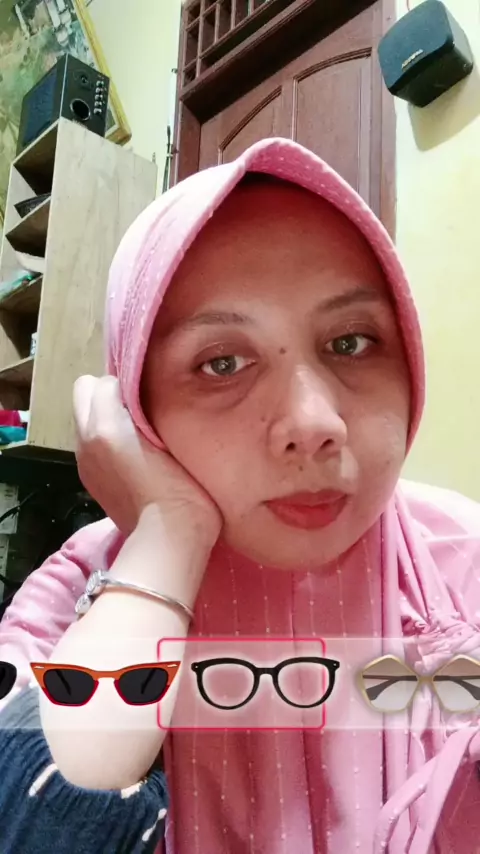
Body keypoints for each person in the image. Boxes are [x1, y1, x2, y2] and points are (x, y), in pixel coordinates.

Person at [1, 137, 480, 854]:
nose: (314, 423)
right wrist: (166, 540)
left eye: (351, 342)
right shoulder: (82, 590)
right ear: (136, 405)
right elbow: (35, 821)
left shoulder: (458, 567)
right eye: (222, 362)